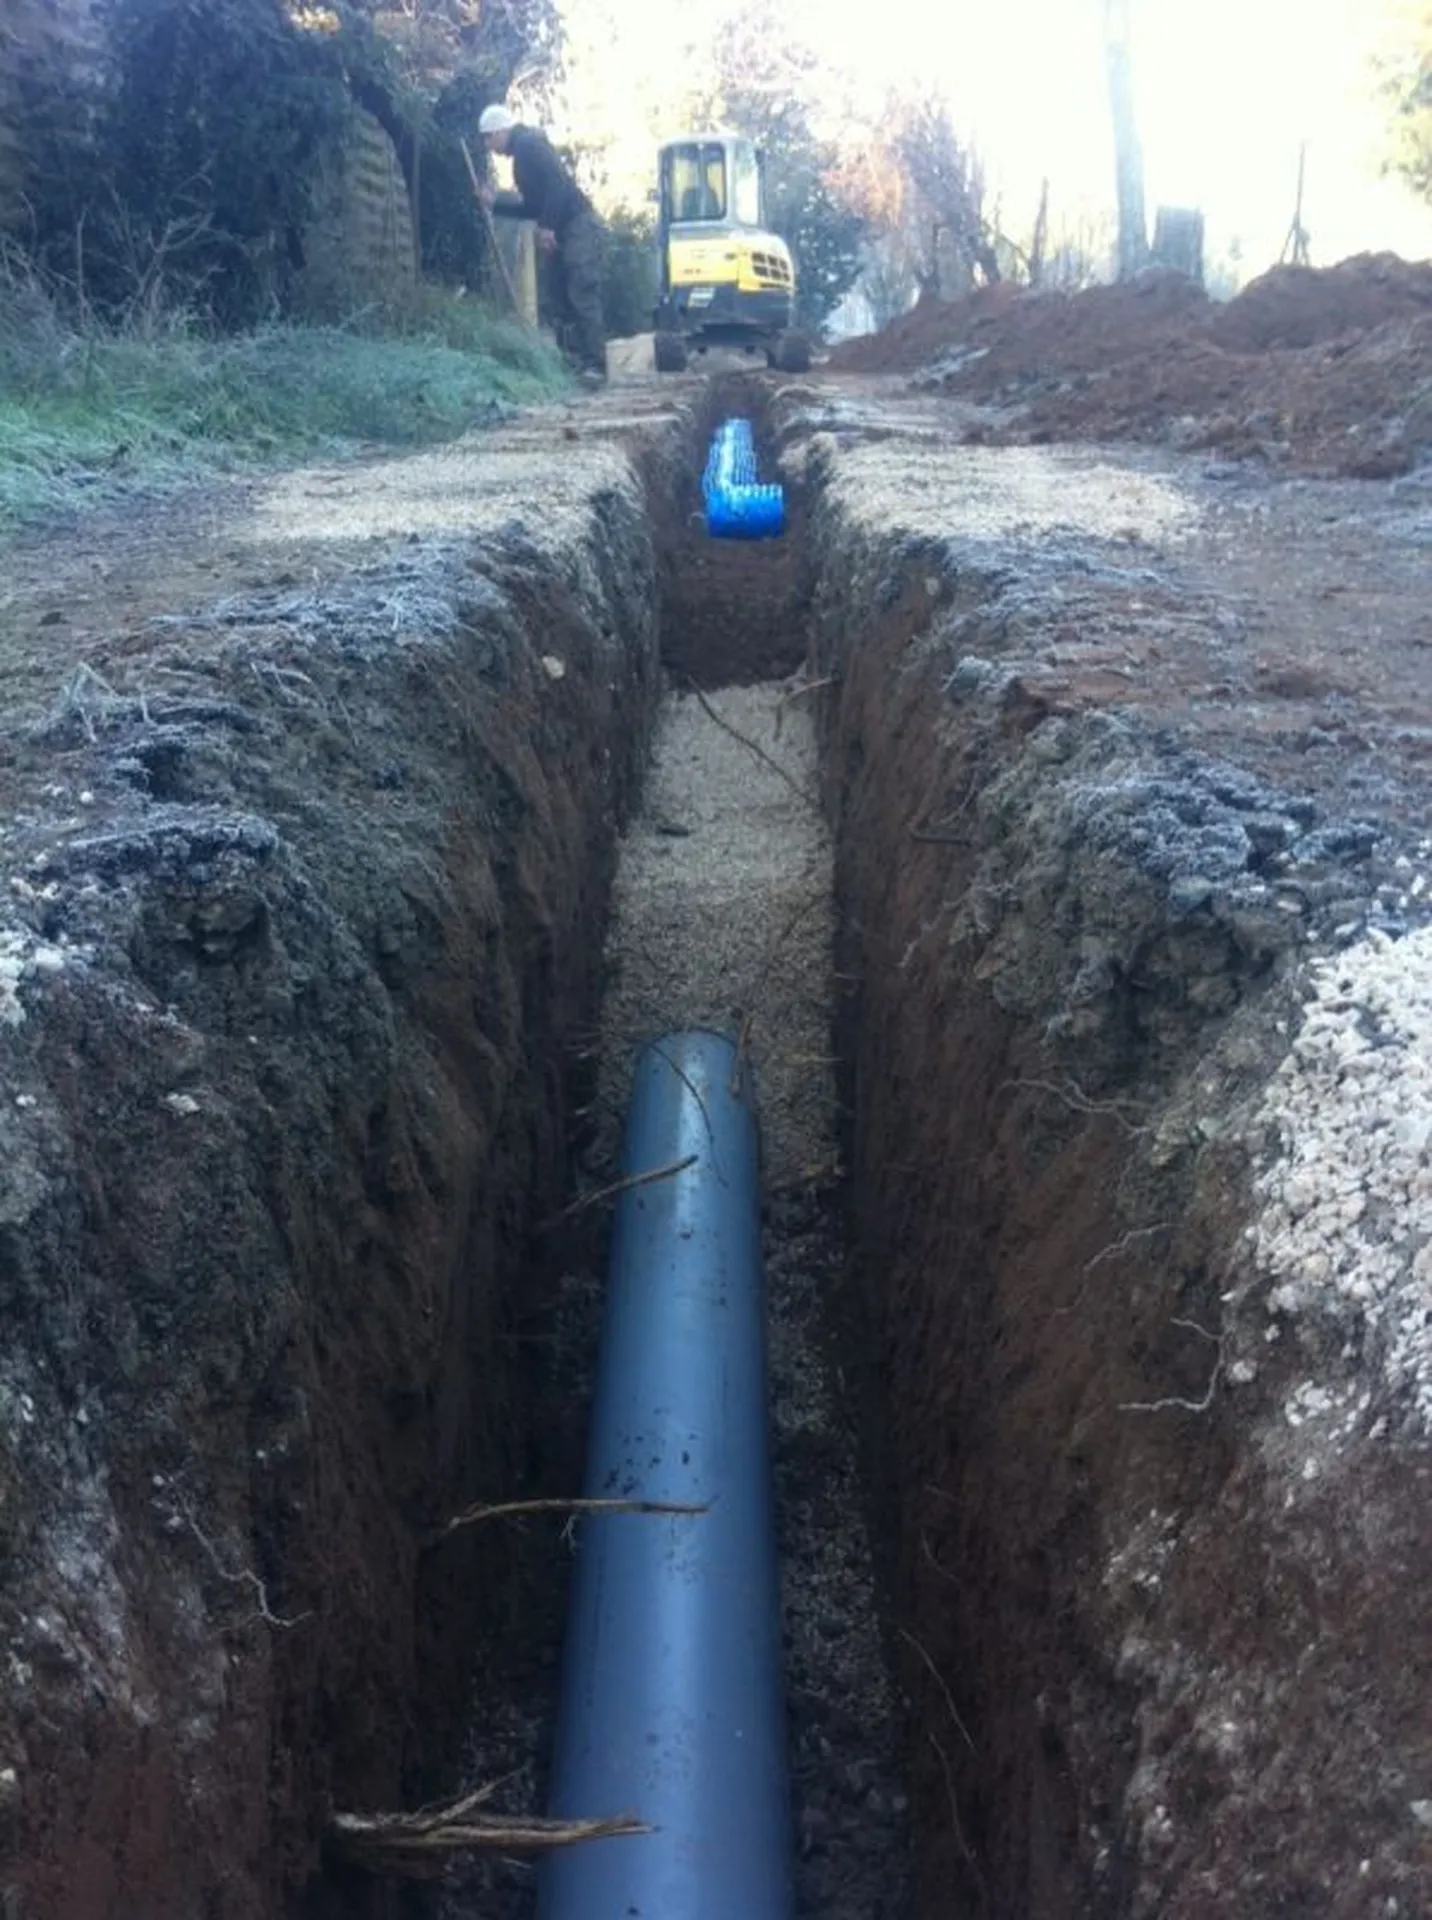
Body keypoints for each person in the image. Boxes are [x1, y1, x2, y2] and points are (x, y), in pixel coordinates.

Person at [477, 103, 607, 388]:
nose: (488, 146)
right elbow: (533, 206)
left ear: (501, 131)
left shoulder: (529, 145)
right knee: (557, 295)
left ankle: (595, 366)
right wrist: (495, 203)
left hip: (577, 225)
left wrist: (547, 227)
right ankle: (574, 365)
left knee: (581, 291)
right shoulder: (520, 158)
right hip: (560, 228)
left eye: (488, 137)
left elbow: (558, 186)